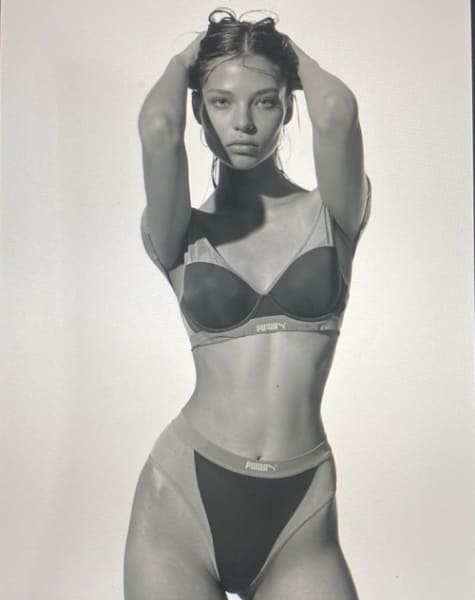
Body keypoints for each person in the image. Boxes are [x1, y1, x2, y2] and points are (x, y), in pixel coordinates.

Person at [125, 8, 371, 600]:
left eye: (264, 102)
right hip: (181, 499)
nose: (243, 123)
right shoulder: (179, 230)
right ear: (198, 109)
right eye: (221, 102)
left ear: (288, 105)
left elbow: (337, 113)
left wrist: (285, 54)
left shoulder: (333, 213)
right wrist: (188, 60)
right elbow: (157, 127)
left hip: (300, 511)